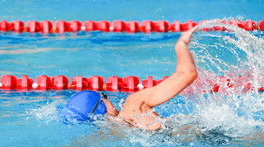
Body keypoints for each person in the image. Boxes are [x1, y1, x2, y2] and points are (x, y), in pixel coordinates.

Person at [61, 25, 199, 131]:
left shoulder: (112, 136)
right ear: (103, 107)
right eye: (103, 96)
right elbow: (188, 74)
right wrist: (181, 44)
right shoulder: (133, 105)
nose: (108, 98)